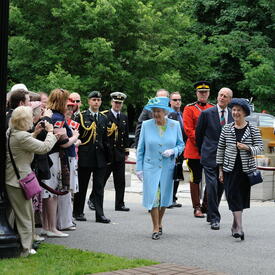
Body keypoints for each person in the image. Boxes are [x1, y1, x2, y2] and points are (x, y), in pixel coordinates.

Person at [6, 106, 58, 256]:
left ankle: (13, 243)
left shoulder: (11, 132)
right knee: (26, 215)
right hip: (19, 180)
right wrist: (50, 132)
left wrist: (35, 133)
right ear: (25, 120)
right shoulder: (21, 136)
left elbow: (25, 144)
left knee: (13, 214)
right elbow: (44, 148)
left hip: (13, 178)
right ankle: (26, 248)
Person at [136, 97, 184, 240]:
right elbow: (141, 148)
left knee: (164, 197)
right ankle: (155, 227)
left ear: (165, 112)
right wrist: (139, 168)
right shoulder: (146, 125)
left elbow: (181, 145)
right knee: (154, 197)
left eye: (159, 111)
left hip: (167, 167)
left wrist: (173, 151)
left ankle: (160, 222)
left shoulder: (174, 125)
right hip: (150, 166)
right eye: (154, 111)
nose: (156, 114)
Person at [216, 98, 263, 240]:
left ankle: (235, 225)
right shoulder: (226, 128)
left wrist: (247, 148)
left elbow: (260, 148)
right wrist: (220, 170)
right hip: (229, 168)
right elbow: (220, 149)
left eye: (239, 110)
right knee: (232, 196)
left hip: (245, 169)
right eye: (234, 110)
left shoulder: (253, 129)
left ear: (245, 113)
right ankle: (240, 227)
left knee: (239, 198)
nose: (235, 113)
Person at [41, 88, 79, 238]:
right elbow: (63, 142)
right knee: (52, 192)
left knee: (50, 192)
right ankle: (51, 227)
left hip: (51, 156)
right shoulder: (57, 118)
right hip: (54, 157)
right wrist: (75, 137)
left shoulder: (54, 115)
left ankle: (47, 226)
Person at [196, 87, 233, 230]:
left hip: (226, 158)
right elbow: (199, 135)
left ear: (229, 99)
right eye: (220, 95)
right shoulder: (206, 114)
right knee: (212, 185)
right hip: (209, 155)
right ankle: (215, 218)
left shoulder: (232, 114)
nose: (222, 98)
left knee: (220, 187)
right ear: (217, 96)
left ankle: (211, 213)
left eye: (225, 96)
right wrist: (203, 150)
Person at [88, 92, 130, 212]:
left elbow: (125, 135)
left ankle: (119, 203)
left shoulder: (124, 117)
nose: (117, 105)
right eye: (116, 102)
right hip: (107, 154)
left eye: (120, 103)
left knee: (120, 180)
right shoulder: (105, 115)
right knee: (102, 180)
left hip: (119, 154)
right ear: (112, 102)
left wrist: (126, 152)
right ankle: (93, 199)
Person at [73, 91, 111, 223]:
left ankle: (99, 214)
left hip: (100, 157)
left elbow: (105, 140)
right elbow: (77, 135)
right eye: (94, 99)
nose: (96, 102)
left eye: (98, 100)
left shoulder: (103, 118)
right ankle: (78, 212)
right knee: (82, 186)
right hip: (85, 156)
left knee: (99, 187)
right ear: (89, 101)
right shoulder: (81, 116)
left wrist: (108, 157)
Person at [183, 81, 214, 218]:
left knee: (211, 179)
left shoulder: (213, 108)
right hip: (194, 150)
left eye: (205, 92)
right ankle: (196, 207)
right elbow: (189, 130)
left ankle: (206, 205)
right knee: (195, 179)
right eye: (200, 92)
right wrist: (204, 141)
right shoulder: (189, 108)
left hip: (210, 151)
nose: (203, 94)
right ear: (196, 93)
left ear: (208, 93)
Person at [167, 92, 185, 208]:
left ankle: (173, 197)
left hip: (181, 148)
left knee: (177, 173)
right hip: (171, 149)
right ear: (170, 101)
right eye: (174, 100)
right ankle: (167, 199)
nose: (177, 102)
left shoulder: (182, 114)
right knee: (169, 175)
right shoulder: (167, 115)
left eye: (179, 99)